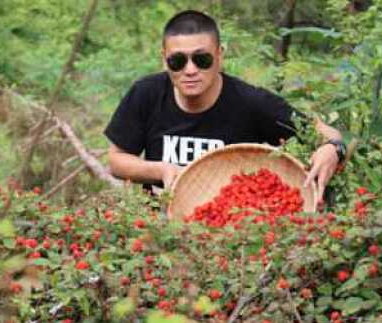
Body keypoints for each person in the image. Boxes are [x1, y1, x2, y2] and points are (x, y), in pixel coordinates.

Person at [104, 10, 346, 203]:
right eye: (177, 61)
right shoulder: (147, 93)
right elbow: (116, 160)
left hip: (233, 228)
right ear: (164, 59)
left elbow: (326, 134)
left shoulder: (252, 102)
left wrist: (333, 148)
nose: (190, 70)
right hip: (162, 226)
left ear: (219, 55)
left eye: (202, 59)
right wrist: (162, 170)